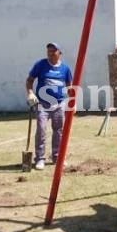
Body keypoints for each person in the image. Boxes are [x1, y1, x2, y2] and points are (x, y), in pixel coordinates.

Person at [25, 42, 73, 170]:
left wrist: (72, 103)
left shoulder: (65, 69)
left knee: (59, 130)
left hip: (59, 104)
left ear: (59, 53)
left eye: (53, 51)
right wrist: (30, 93)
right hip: (43, 103)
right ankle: (40, 159)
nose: (50, 53)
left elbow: (69, 86)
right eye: (49, 51)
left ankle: (57, 157)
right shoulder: (40, 65)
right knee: (41, 129)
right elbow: (30, 79)